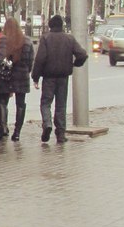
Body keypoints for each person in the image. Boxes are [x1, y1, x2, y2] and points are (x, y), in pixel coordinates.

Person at [31, 14, 87, 144]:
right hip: (63, 77)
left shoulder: (45, 38)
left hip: (48, 77)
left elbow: (40, 59)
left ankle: (47, 124)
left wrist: (35, 77)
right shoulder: (69, 39)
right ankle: (61, 134)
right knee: (61, 105)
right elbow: (82, 54)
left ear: (50, 26)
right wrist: (75, 64)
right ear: (61, 25)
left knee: (46, 103)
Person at [0, 15, 35, 142]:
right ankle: (17, 133)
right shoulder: (27, 40)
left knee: (2, 101)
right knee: (20, 104)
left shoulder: (3, 40)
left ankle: (4, 127)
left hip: (6, 76)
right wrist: (27, 70)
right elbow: (30, 59)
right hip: (22, 76)